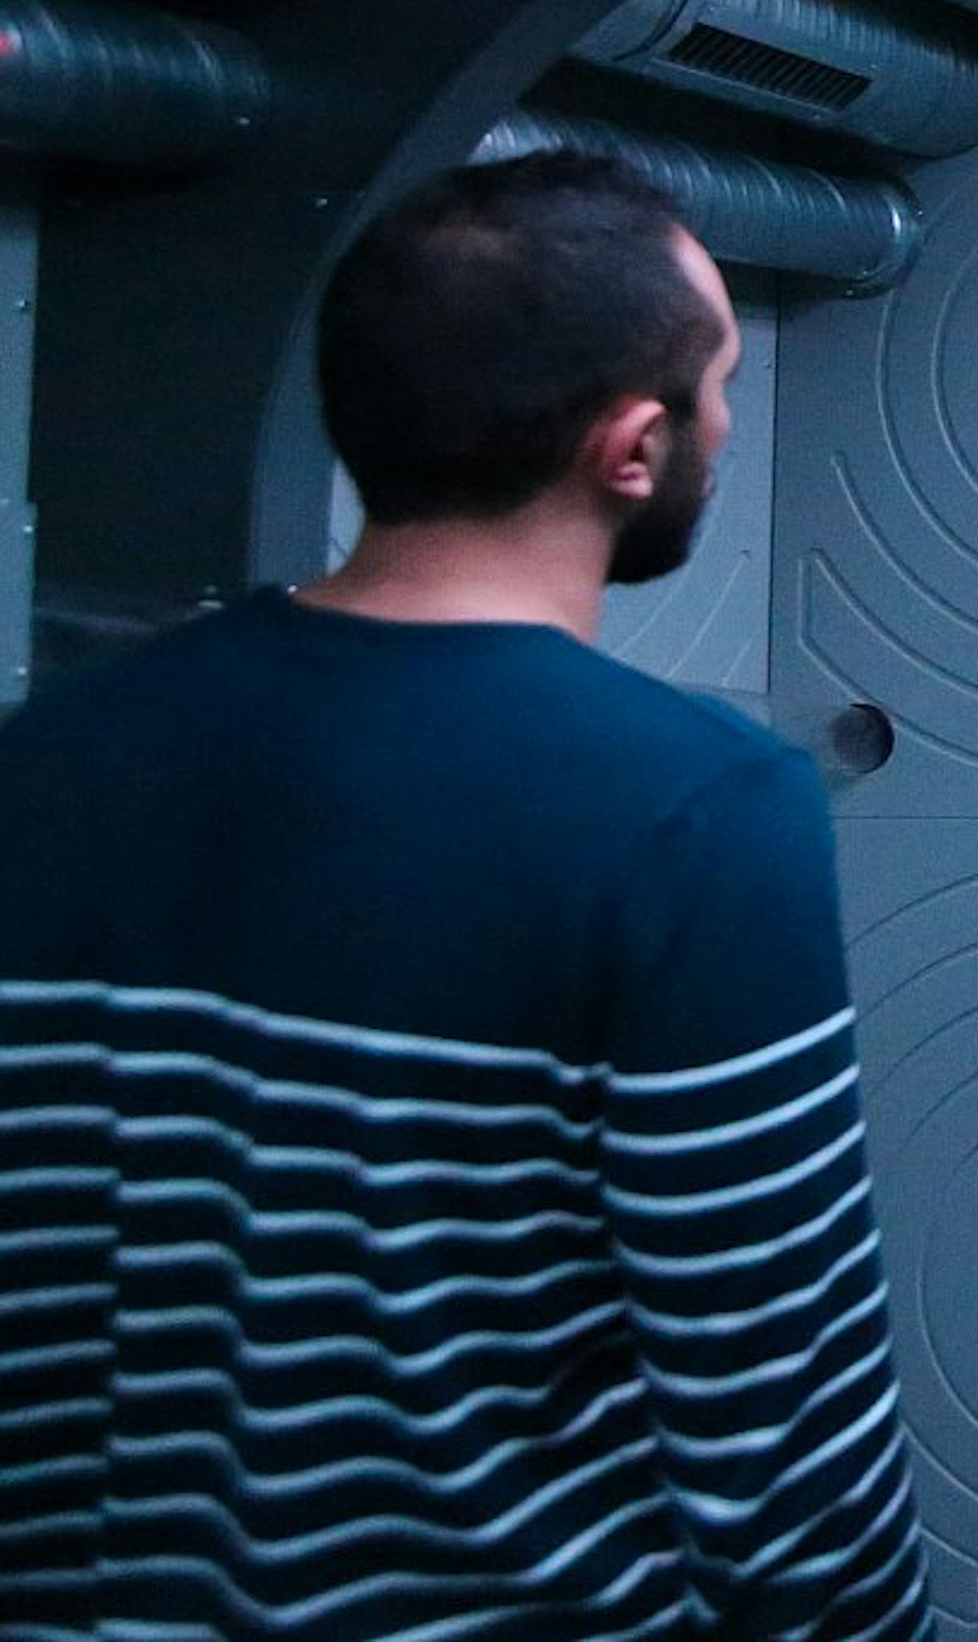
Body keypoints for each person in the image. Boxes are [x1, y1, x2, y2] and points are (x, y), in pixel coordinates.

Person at [0, 151, 931, 1636]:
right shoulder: (691, 812)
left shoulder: (49, 756)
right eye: (720, 386)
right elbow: (780, 1416)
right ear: (631, 448)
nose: (726, 422)